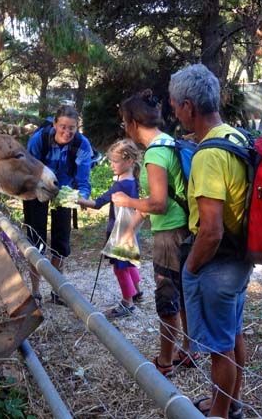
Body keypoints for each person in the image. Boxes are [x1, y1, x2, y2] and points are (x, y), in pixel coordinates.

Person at [169, 64, 252, 419]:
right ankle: (229, 402)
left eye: (174, 105)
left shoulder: (208, 155)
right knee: (232, 336)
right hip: (242, 255)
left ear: (189, 106)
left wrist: (191, 265)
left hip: (218, 262)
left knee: (219, 347)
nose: (174, 111)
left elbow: (211, 229)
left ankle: (218, 414)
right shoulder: (236, 137)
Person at [111, 90, 196, 378]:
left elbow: (158, 203)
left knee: (168, 297)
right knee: (183, 293)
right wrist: (130, 228)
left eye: (125, 121)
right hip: (182, 230)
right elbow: (161, 198)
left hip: (169, 236)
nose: (125, 127)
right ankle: (190, 349)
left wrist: (127, 202)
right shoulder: (168, 143)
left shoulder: (156, 154)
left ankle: (165, 361)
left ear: (133, 122)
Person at [23, 104, 93, 306]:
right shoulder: (39, 140)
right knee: (35, 241)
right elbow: (28, 169)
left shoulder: (82, 145)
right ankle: (35, 291)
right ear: (54, 124)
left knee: (61, 243)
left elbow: (83, 179)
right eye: (63, 126)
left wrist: (83, 198)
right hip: (38, 191)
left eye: (72, 128)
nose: (67, 132)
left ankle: (56, 289)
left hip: (65, 193)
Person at [77, 139, 143, 318]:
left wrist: (80, 200)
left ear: (129, 162)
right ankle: (137, 291)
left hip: (120, 232)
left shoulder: (121, 185)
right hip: (131, 230)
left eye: (115, 161)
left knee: (120, 268)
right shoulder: (131, 180)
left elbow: (99, 203)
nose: (111, 165)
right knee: (128, 262)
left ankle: (127, 303)